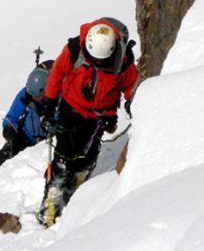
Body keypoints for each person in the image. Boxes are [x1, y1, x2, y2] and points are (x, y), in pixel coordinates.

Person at [37, 18, 138, 227]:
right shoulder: (76, 49)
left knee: (88, 154)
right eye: (94, 59)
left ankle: (78, 188)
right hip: (71, 107)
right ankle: (54, 194)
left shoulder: (122, 58)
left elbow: (130, 84)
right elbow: (57, 73)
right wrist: (48, 101)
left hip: (100, 116)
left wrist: (134, 101)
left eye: (101, 61)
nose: (97, 64)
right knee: (64, 152)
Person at [0, 60, 53, 167]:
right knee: (2, 158)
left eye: (38, 96)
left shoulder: (56, 100)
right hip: (26, 138)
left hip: (47, 142)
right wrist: (9, 127)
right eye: (32, 95)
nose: (34, 98)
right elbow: (12, 116)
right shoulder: (26, 94)